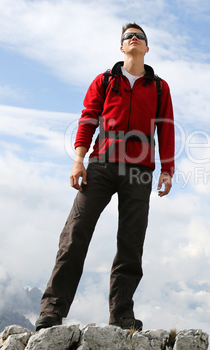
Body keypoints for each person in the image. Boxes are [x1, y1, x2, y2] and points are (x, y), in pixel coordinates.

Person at [35, 22, 175, 331]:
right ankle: (52, 311)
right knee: (75, 234)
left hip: (140, 170)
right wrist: (78, 161)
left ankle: (122, 314)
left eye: (140, 37)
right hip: (100, 164)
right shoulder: (105, 80)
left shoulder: (160, 87)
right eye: (128, 37)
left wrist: (167, 169)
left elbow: (166, 127)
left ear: (147, 48)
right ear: (122, 47)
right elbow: (88, 119)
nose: (134, 39)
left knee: (131, 241)